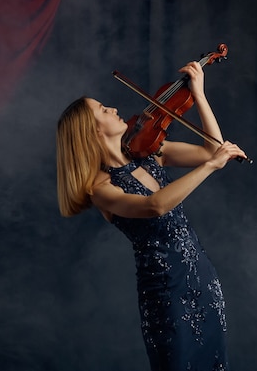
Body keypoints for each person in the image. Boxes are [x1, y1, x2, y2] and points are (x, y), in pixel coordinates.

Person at [56, 61, 246, 371]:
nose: (114, 108)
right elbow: (154, 206)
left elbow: (211, 150)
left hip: (201, 274)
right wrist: (212, 167)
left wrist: (198, 94)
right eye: (103, 109)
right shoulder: (101, 188)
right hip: (165, 288)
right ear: (92, 130)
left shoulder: (151, 151)